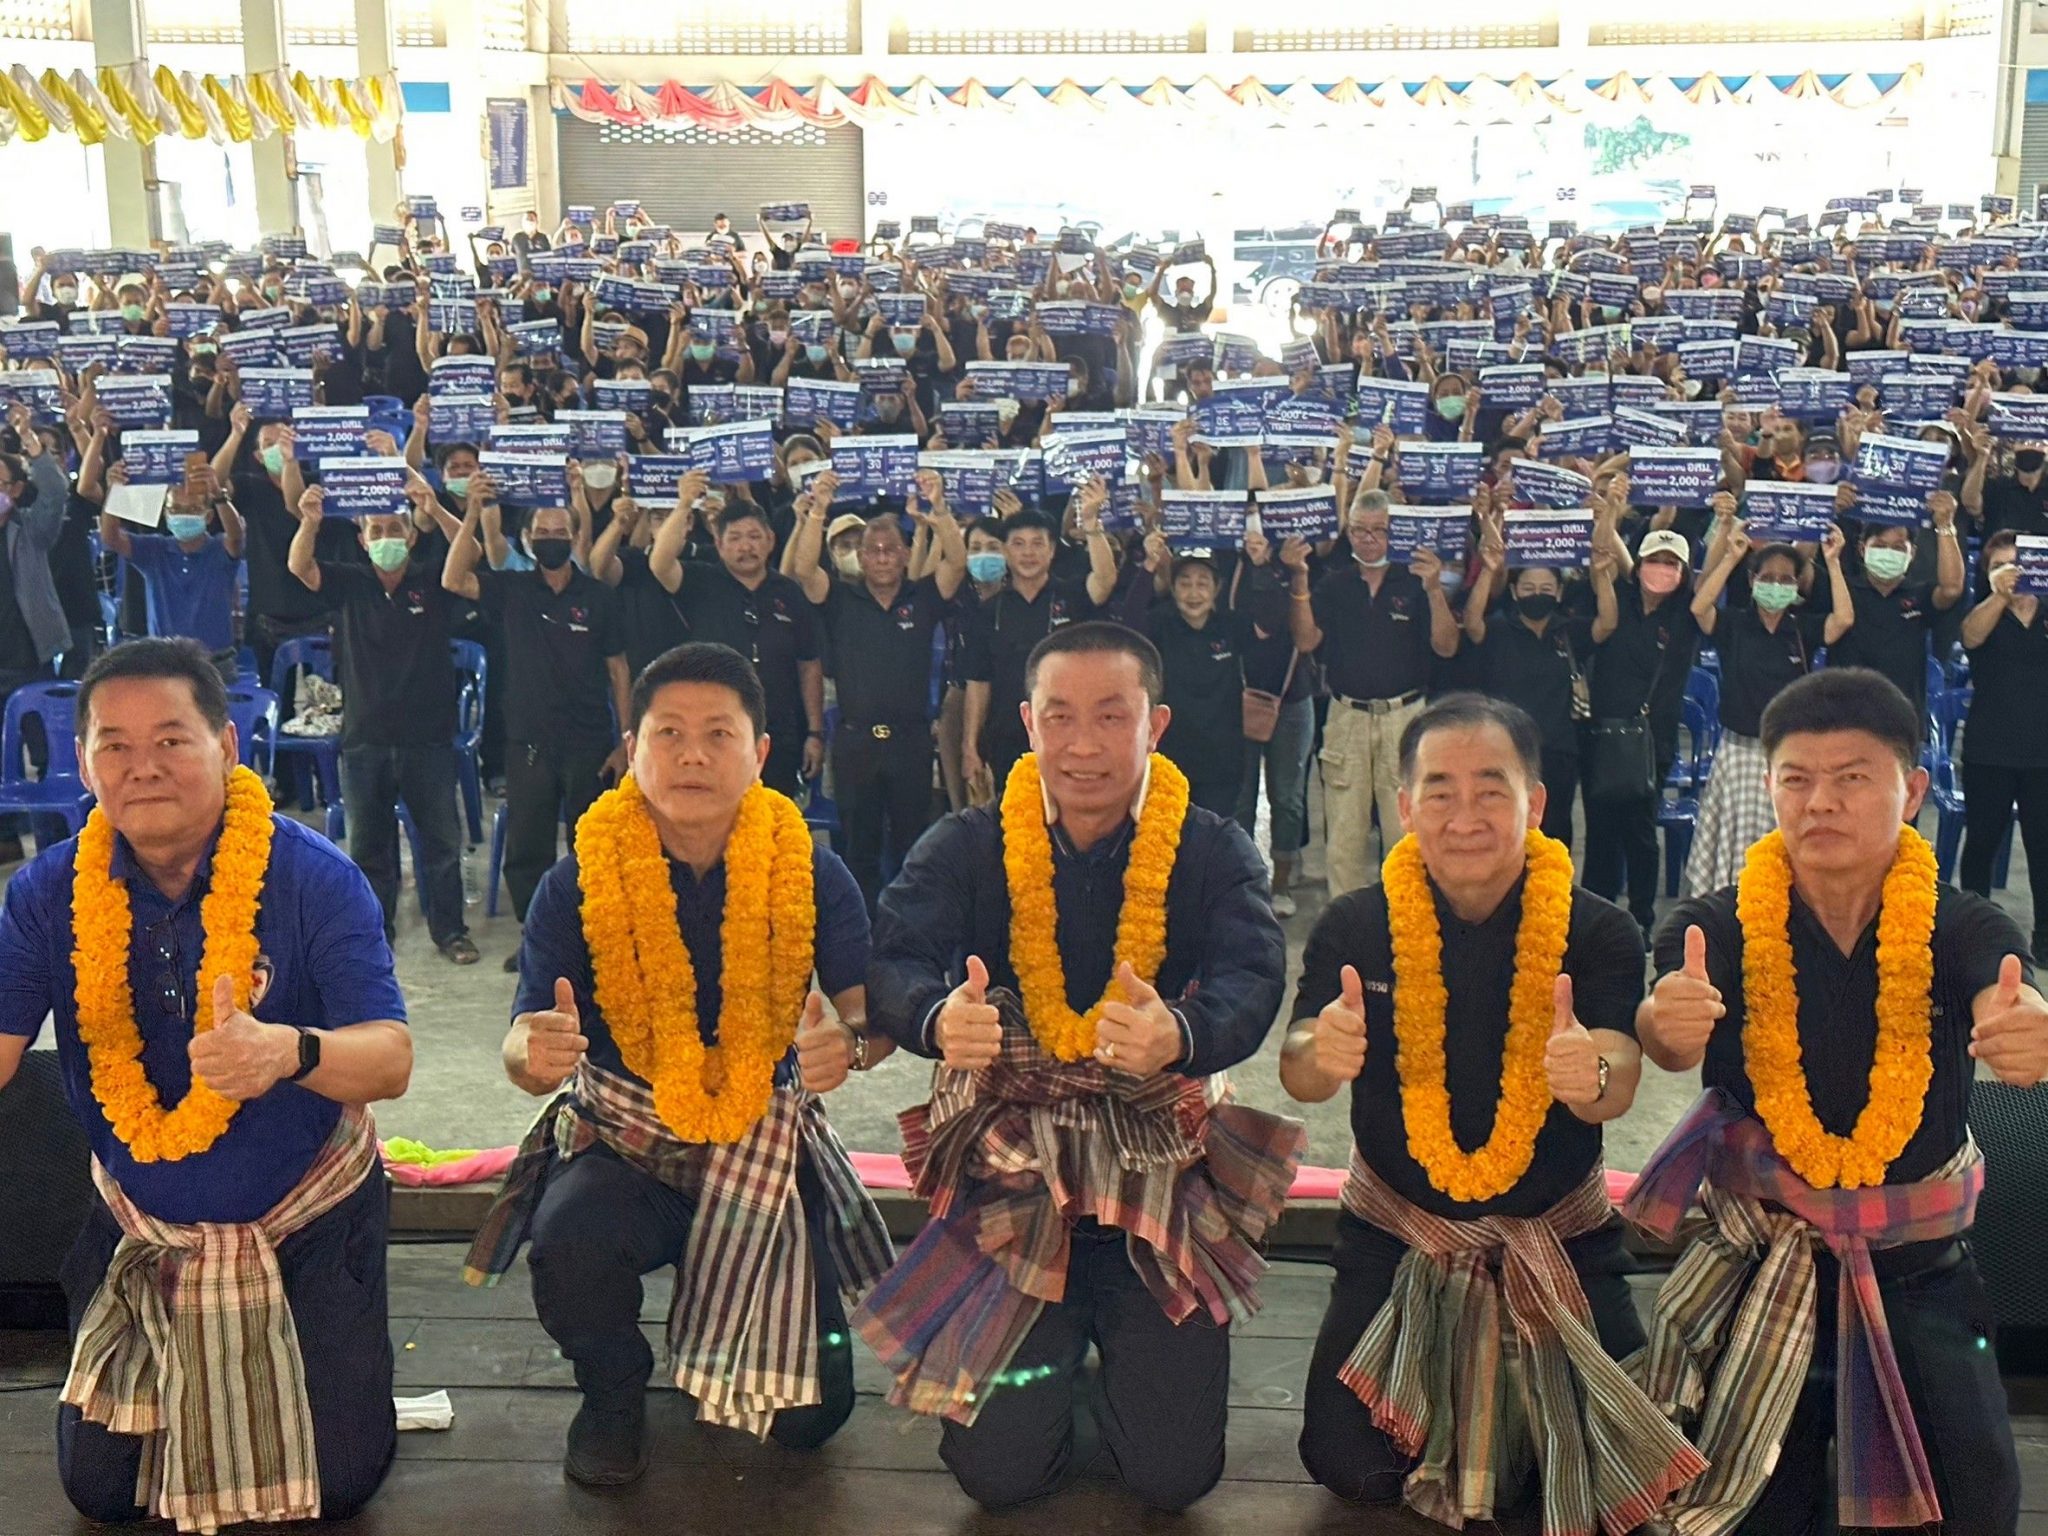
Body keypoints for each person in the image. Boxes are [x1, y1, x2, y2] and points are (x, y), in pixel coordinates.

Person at [861, 621, 1301, 1513]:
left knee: (1175, 1478)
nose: (1085, 745)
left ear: (1156, 724)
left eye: (1112, 716)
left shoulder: (1211, 847)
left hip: (1158, 1177)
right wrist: (938, 1017)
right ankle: (1051, 1369)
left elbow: (1255, 977)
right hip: (1015, 1178)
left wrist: (1181, 1032)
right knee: (999, 1477)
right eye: (1060, 716)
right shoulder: (968, 842)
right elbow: (895, 955)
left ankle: (1117, 1372)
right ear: (1028, 723)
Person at [0, 637, 412, 1528]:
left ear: (227, 745)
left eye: (170, 740)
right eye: (115, 745)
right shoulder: (46, 893)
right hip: (140, 1225)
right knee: (102, 1492)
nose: (142, 767)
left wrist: (290, 1053)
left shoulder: (314, 878)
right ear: (84, 764)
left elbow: (390, 1060)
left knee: (338, 1485)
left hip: (306, 1220)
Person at [1629, 667, 2047, 1536]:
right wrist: (1663, 1023)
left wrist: (2024, 1027)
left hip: (1917, 1267)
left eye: (1852, 777)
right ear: (1770, 787)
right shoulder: (1717, 924)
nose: (1820, 802)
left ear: (1913, 791)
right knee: (1757, 1510)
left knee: (1977, 1505)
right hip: (1762, 1262)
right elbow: (1669, 1029)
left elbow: (2005, 994)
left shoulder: (1960, 923)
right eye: (1798, 778)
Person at [463, 643, 894, 1485]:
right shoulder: (580, 876)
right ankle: (613, 1392)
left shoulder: (809, 867)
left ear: (759, 752)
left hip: (763, 1148)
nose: (693, 755)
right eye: (670, 733)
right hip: (628, 1145)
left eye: (718, 734)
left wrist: (850, 1045)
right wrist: (532, 1055)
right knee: (570, 1236)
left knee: (812, 1423)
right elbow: (524, 1041)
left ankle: (734, 1340)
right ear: (633, 748)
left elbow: (864, 1017)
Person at [1283, 693, 1703, 1527]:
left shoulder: (1597, 929)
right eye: (1440, 790)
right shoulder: (1356, 924)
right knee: (1347, 1463)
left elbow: (1617, 1075)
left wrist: (1590, 1070)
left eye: (1490, 789)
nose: (1464, 815)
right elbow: (1299, 1068)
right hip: (1396, 1239)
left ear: (1535, 803)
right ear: (1405, 807)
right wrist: (1318, 1050)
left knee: (1607, 1466)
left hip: (1558, 1239)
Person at [287, 479, 478, 964]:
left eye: (395, 529)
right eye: (377, 530)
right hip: (364, 741)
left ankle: (451, 932)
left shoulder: (433, 581)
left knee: (441, 846)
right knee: (369, 850)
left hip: (428, 739)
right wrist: (310, 521)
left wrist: (435, 507)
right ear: (362, 538)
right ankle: (375, 937)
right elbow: (300, 567)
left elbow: (471, 553)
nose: (387, 538)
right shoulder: (350, 582)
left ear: (411, 536)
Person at [442, 480, 631, 968]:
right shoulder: (512, 590)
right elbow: (454, 579)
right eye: (542, 532)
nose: (551, 538)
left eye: (560, 531)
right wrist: (473, 513)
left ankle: (592, 942)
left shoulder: (598, 596)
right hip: (527, 742)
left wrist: (626, 739)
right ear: (527, 540)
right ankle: (538, 941)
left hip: (590, 742)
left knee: (591, 847)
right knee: (527, 849)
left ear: (574, 536)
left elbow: (618, 669)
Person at [787, 470, 966, 913]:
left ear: (905, 555)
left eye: (890, 550)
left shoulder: (923, 597)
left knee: (914, 849)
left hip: (910, 743)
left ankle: (910, 933)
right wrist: (819, 510)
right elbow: (804, 570)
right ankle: (859, 932)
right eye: (873, 551)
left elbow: (957, 564)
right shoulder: (840, 599)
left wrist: (939, 508)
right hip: (856, 745)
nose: (882, 558)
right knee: (858, 851)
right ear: (860, 558)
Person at [1284, 489, 1460, 897]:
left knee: (1406, 835)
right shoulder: (1335, 583)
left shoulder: (1416, 581)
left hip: (1406, 716)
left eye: (1379, 530)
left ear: (1394, 533)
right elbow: (1306, 640)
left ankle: (1409, 920)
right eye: (1359, 530)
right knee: (1343, 837)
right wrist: (1300, 578)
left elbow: (1447, 647)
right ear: (1348, 532)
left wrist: (1435, 589)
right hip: (1347, 716)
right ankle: (1346, 925)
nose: (1368, 539)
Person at [1682, 519, 1852, 896]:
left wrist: (1833, 562)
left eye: (1786, 579)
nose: (1776, 585)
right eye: (1768, 578)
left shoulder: (1800, 628)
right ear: (1752, 580)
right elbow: (1699, 607)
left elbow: (1843, 619)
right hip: (1739, 752)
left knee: (1782, 856)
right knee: (1734, 864)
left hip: (1788, 757)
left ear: (1796, 586)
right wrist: (1731, 556)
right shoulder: (1734, 623)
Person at [654, 500, 825, 797]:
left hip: (778, 734)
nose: (746, 546)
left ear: (770, 540)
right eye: (735, 538)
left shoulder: (789, 592)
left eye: (754, 536)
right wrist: (684, 505)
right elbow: (660, 563)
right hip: (711, 733)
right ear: (719, 545)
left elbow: (809, 665)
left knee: (772, 817)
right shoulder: (699, 581)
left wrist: (815, 732)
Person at [1462, 501, 1605, 848]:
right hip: (1504, 748)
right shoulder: (1499, 629)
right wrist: (1489, 570)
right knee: (1504, 829)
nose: (1536, 595)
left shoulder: (1568, 630)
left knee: (1555, 833)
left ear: (1559, 592)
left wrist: (1601, 574)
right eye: (1528, 589)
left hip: (1558, 751)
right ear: (1514, 592)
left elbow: (1608, 623)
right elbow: (1472, 623)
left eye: (1545, 589)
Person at [1582, 527, 1699, 937]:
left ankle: (1640, 921)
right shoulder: (1620, 600)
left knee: (1641, 834)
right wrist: (1609, 513)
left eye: (1671, 563)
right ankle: (1596, 917)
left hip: (1652, 742)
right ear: (1639, 564)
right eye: (1654, 560)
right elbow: (1605, 551)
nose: (1661, 569)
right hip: (1601, 735)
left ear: (1683, 572)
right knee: (1600, 832)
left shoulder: (1686, 616)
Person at [959, 501, 1117, 792]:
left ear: (1052, 550)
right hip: (1006, 737)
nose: (1028, 553)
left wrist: (1092, 526)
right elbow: (978, 682)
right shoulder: (989, 611)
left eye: (1037, 544)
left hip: (1069, 736)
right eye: (1018, 544)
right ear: (1005, 551)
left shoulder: (1072, 595)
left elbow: (1105, 581)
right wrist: (970, 745)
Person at [1958, 528, 2048, 960]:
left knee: (2044, 849)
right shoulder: (1984, 613)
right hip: (1989, 751)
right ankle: (1975, 934)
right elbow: (1969, 637)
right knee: (1981, 845)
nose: (2010, 572)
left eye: (2017, 563)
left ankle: (2045, 939)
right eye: (1999, 566)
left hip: (2043, 755)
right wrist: (1999, 596)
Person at [95, 457, 244, 675]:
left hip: (215, 663)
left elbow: (236, 536)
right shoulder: (154, 550)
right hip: (163, 661)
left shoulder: (220, 549)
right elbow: (111, 537)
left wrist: (218, 495)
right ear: (166, 514)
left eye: (193, 508)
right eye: (176, 509)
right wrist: (115, 492)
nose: (184, 515)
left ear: (209, 516)